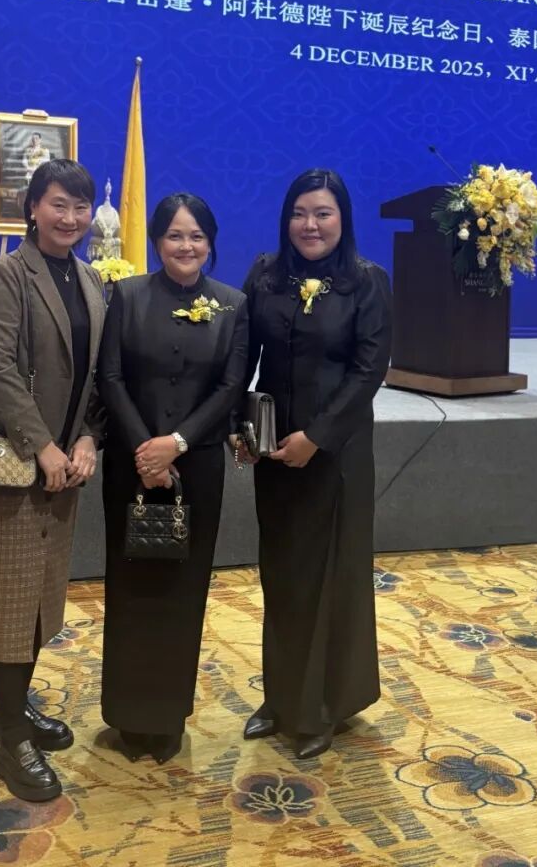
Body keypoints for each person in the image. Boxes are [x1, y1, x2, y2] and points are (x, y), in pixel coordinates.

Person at [0, 158, 106, 802]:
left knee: (40, 596)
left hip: (64, 467)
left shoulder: (91, 280)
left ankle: (8, 714)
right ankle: (12, 742)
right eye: (58, 204)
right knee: (7, 600)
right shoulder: (7, 274)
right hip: (15, 465)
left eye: (80, 206)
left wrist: (87, 438)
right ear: (33, 209)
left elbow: (99, 373)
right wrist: (42, 445)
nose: (70, 218)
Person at [237, 169, 392, 759]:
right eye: (300, 213)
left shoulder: (366, 282)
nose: (310, 225)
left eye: (323, 213)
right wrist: (240, 428)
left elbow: (368, 372)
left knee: (329, 578)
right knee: (281, 574)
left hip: (337, 456)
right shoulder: (266, 276)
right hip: (274, 451)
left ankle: (323, 706)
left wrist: (318, 438)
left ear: (342, 219)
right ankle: (281, 697)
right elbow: (242, 358)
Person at [98, 193, 249, 764]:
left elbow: (231, 387)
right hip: (131, 464)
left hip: (197, 466)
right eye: (175, 236)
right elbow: (111, 376)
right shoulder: (128, 295)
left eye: (197, 236)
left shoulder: (232, 305)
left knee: (184, 588)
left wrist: (176, 444)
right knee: (130, 584)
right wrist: (147, 449)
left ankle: (166, 719)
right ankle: (126, 714)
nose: (186, 246)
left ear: (210, 242)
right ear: (157, 241)